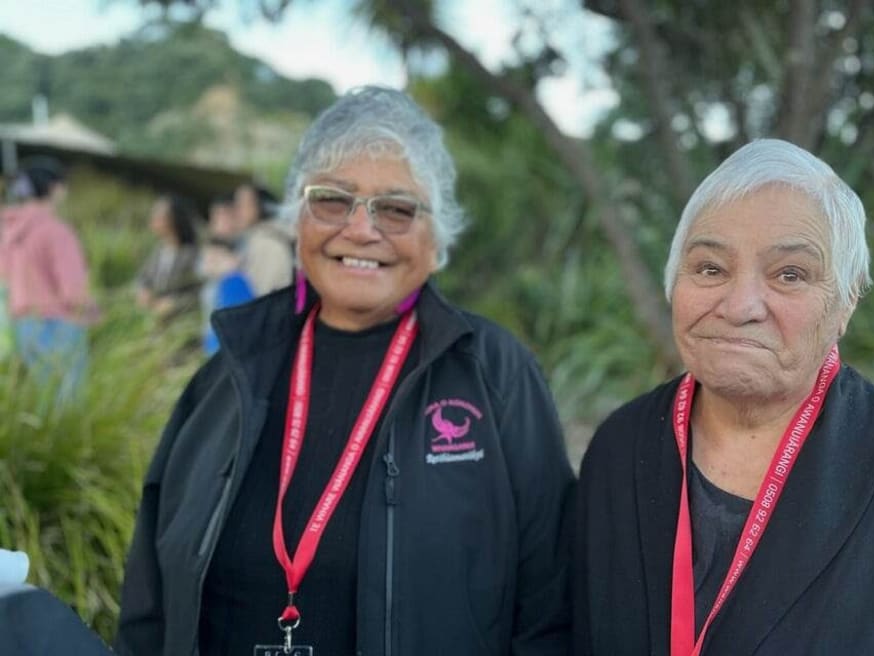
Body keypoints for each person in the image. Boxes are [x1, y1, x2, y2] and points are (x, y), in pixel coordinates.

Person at [116, 85, 573, 656]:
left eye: (397, 208)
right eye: (332, 200)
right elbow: (150, 601)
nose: (361, 229)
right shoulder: (227, 373)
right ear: (297, 221)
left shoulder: (495, 375)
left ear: (437, 242)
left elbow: (550, 604)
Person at [572, 139, 874, 656]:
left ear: (845, 304)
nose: (740, 306)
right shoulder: (619, 450)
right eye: (710, 268)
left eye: (790, 274)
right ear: (674, 281)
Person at [0, 157, 96, 402]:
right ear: (56, 188)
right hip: (59, 324)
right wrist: (94, 312)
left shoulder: (9, 230)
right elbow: (73, 291)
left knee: (43, 398)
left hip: (23, 325)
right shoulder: (56, 231)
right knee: (68, 401)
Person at [134, 193, 202, 321]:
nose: (153, 219)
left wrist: (174, 304)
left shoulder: (191, 254)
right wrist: (143, 290)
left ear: (173, 220)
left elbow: (198, 293)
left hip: (180, 324)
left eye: (158, 215)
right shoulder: (157, 252)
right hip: (156, 323)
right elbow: (143, 278)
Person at [233, 182, 296, 295]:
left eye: (243, 204)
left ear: (262, 206)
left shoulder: (267, 242)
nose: (237, 211)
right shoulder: (258, 237)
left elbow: (265, 293)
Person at [198, 234, 255, 355]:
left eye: (217, 258)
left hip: (228, 351)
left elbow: (234, 323)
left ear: (234, 258)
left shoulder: (234, 281)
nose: (211, 263)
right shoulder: (213, 285)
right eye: (207, 259)